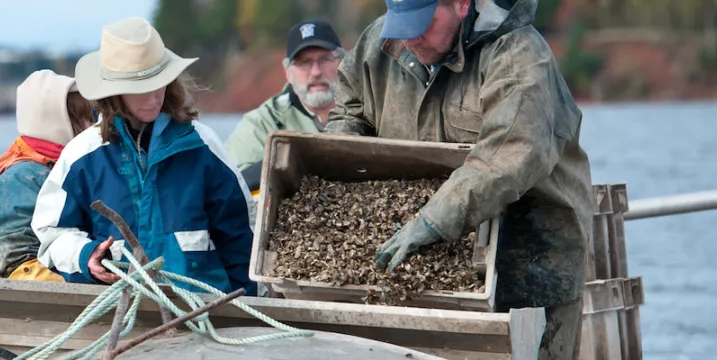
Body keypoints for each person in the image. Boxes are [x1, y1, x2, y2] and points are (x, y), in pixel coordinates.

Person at [328, 0, 593, 358]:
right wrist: (340, 173)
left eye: (421, 23)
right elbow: (350, 106)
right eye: (401, 24)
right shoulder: (380, 43)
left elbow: (510, 154)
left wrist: (433, 220)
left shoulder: (517, 54)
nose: (411, 37)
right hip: (418, 265)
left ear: (461, 4)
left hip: (531, 255)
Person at [32, 17, 257, 295]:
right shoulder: (81, 156)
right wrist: (86, 255)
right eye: (140, 88)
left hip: (206, 313)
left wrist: (251, 311)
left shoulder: (203, 146)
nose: (153, 97)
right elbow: (51, 235)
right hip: (116, 314)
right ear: (113, 91)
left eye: (159, 83)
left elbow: (241, 237)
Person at [0, 69, 96, 282]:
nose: (94, 127)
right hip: (37, 308)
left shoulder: (66, 169)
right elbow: (20, 267)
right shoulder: (18, 181)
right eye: (86, 119)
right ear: (58, 122)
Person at [225, 19, 345, 186]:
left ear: (343, 63)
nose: (316, 72)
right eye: (304, 62)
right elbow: (234, 186)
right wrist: (286, 158)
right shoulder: (261, 123)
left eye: (325, 59)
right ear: (288, 72)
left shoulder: (370, 111)